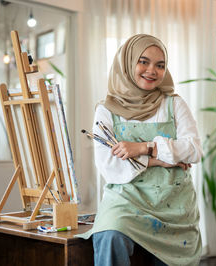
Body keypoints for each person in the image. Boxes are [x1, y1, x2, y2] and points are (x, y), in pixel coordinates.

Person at [76, 34, 203, 266]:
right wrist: (164, 160)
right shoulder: (106, 110)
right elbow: (110, 167)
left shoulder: (174, 104)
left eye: (160, 65)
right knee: (109, 235)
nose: (152, 70)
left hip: (174, 205)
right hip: (125, 202)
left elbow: (194, 150)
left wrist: (144, 148)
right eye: (143, 61)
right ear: (127, 62)